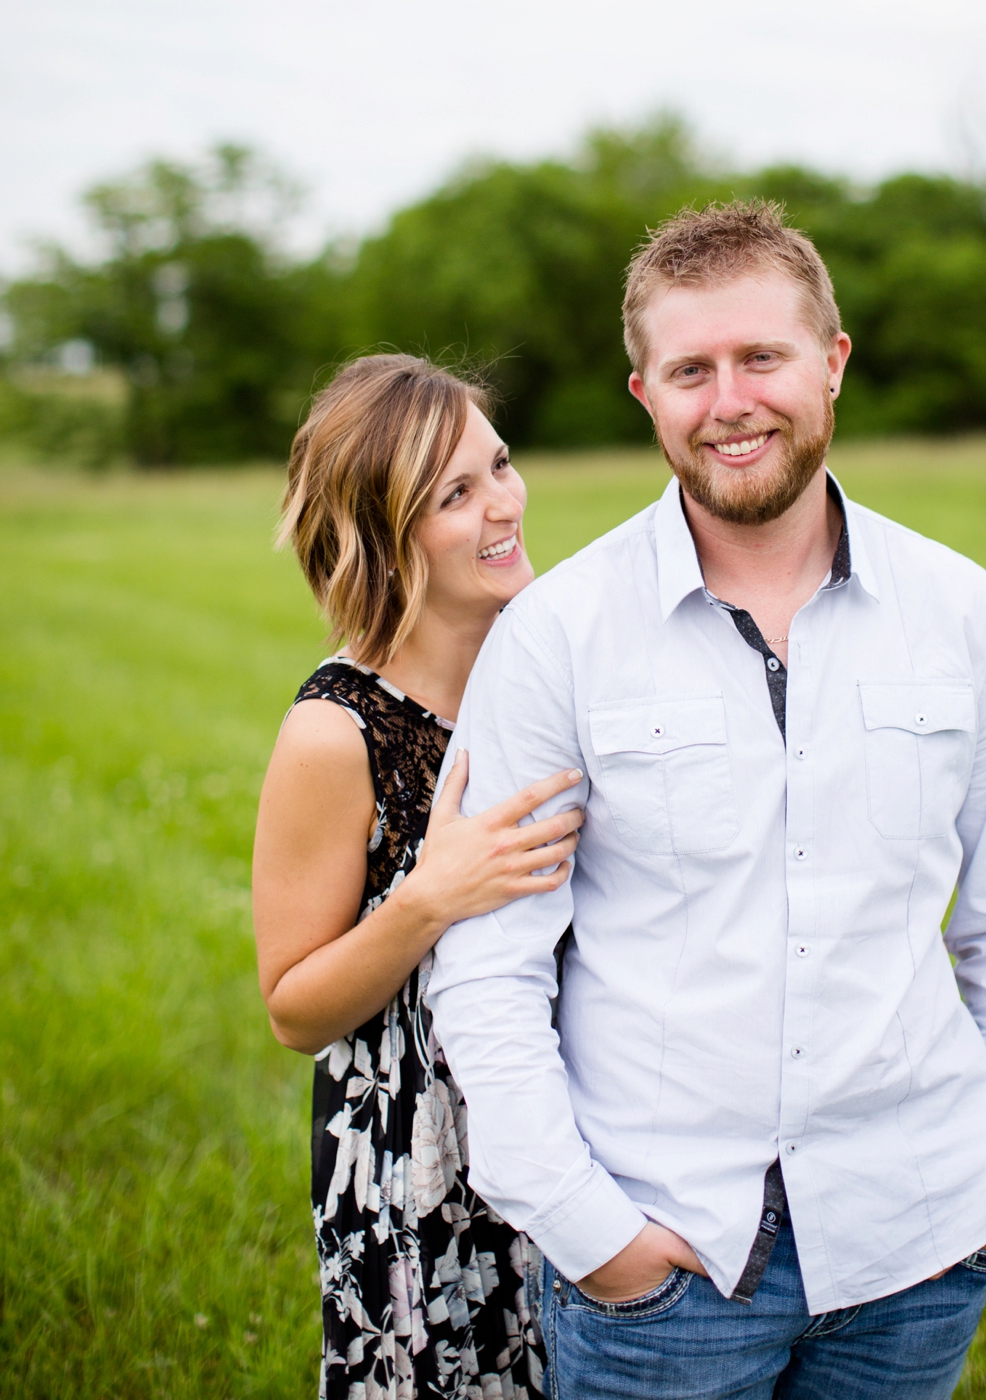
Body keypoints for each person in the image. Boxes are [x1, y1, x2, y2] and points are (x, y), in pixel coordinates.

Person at [427, 201, 986, 1400]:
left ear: (830, 363)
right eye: (690, 370)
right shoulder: (557, 635)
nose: (728, 401)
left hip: (918, 1242)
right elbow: (486, 961)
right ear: (645, 395)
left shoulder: (962, 612)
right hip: (662, 1267)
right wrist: (593, 1236)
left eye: (761, 357)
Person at [252, 353, 584, 1400]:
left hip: (577, 1130)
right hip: (420, 1177)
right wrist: (430, 895)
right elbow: (294, 1009)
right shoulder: (333, 732)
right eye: (454, 493)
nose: (502, 505)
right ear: (381, 536)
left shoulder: (549, 669)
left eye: (498, 465)